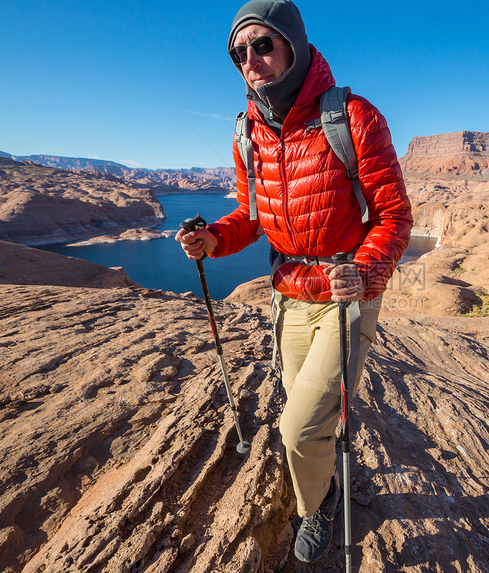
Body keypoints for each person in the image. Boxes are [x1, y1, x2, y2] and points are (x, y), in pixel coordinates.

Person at [175, 0, 412, 563]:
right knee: (305, 410)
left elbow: (395, 218)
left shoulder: (353, 117)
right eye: (238, 52)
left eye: (262, 44)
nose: (250, 60)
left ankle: (319, 504)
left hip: (343, 293)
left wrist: (368, 270)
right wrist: (213, 239)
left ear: (294, 44)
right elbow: (253, 216)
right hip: (288, 295)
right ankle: (323, 479)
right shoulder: (247, 133)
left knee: (300, 429)